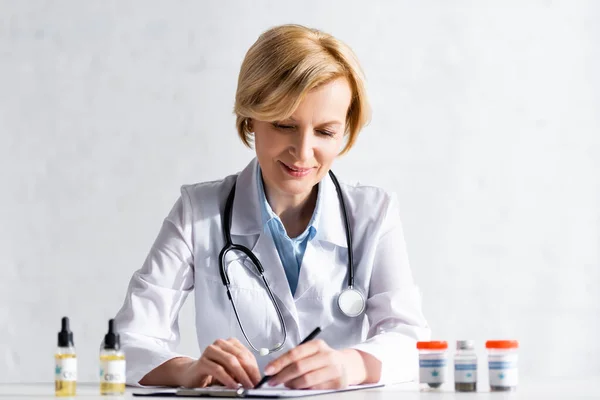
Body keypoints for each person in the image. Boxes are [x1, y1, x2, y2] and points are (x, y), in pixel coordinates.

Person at [113, 23, 430, 390]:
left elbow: (412, 341)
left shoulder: (373, 214)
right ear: (251, 117)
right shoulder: (198, 212)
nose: (303, 151)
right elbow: (127, 343)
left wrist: (349, 365)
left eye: (325, 132)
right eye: (284, 125)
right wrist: (188, 370)